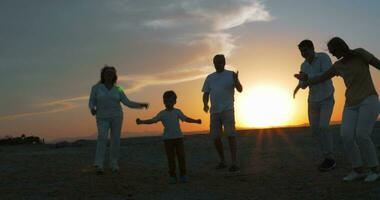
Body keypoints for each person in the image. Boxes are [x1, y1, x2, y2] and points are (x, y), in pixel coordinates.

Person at [295, 37, 380, 182]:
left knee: (361, 134)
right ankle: (358, 170)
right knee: (346, 135)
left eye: (334, 51)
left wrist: (307, 77)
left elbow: (377, 64)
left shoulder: (360, 54)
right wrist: (303, 80)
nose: (333, 54)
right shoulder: (338, 65)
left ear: (340, 47)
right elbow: (321, 77)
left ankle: (375, 170)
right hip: (351, 104)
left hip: (368, 99)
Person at [89, 65, 148, 175]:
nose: (109, 75)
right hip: (102, 117)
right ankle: (99, 164)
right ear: (103, 75)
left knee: (115, 140)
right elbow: (91, 101)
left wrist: (140, 105)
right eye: (107, 73)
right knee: (102, 137)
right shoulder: (96, 88)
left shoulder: (118, 89)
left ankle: (114, 164)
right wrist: (92, 109)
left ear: (114, 76)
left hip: (117, 117)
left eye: (111, 73)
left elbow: (127, 102)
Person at [136, 90, 201, 184]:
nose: (168, 103)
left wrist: (196, 121)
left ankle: (183, 175)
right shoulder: (162, 113)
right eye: (166, 101)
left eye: (170, 101)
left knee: (181, 157)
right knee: (171, 158)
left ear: (175, 102)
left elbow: (186, 119)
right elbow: (153, 120)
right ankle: (172, 176)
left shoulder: (177, 112)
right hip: (167, 139)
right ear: (163, 102)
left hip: (179, 138)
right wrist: (141, 122)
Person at [293, 39, 336, 171]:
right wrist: (301, 82)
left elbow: (327, 75)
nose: (303, 53)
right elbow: (304, 85)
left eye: (305, 50)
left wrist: (307, 77)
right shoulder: (303, 65)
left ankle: (330, 158)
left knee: (323, 126)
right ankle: (326, 157)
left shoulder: (323, 57)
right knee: (315, 130)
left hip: (326, 98)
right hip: (312, 101)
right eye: (301, 51)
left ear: (312, 48)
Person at [202, 54, 243, 172]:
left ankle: (234, 162)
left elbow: (240, 89)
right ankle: (222, 161)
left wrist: (236, 80)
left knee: (230, 136)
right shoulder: (210, 77)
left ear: (224, 62)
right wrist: (205, 104)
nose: (217, 64)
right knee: (215, 137)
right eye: (215, 62)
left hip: (228, 110)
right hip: (214, 112)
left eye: (219, 62)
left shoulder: (231, 75)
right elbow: (205, 93)